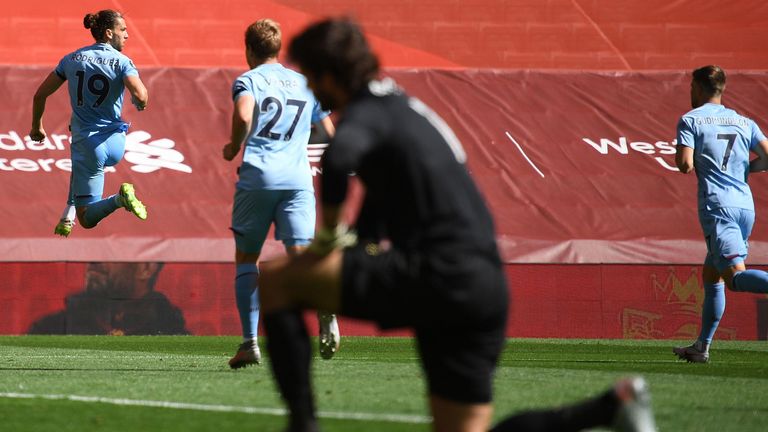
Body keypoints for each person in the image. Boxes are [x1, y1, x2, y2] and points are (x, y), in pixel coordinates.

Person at [256, 17, 656, 432]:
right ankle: (610, 407)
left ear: (326, 74)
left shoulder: (366, 113)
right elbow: (379, 199)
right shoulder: (402, 108)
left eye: (308, 75)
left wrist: (327, 240)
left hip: (437, 271)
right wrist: (363, 243)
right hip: (483, 283)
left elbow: (339, 159)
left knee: (276, 282)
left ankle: (303, 424)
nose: (309, 86)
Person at [221, 18, 338, 369]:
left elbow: (243, 116)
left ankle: (250, 343)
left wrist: (232, 147)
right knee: (301, 255)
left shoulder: (249, 80)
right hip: (298, 180)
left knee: (247, 260)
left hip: (258, 176)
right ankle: (324, 304)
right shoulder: (305, 83)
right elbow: (329, 131)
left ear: (249, 50)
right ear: (277, 48)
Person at [673, 65, 768, 363]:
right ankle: (702, 347)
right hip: (745, 205)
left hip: (718, 206)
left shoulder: (690, 120)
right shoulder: (744, 121)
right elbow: (767, 157)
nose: (690, 92)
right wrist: (744, 170)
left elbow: (685, 165)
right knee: (711, 273)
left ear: (699, 88)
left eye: (691, 87)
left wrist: (691, 160)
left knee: (734, 278)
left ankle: (702, 347)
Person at [30, 9, 149, 238]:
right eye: (123, 30)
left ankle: (117, 200)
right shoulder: (123, 62)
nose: (127, 35)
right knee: (78, 139)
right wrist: (139, 102)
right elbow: (141, 95)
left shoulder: (71, 59)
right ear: (108, 33)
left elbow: (39, 95)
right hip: (116, 142)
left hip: (90, 147)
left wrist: (37, 126)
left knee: (87, 220)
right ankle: (68, 213)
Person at [28, 262, 188, 335]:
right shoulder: (50, 330)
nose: (93, 260)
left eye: (109, 251)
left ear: (146, 268)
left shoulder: (174, 337)